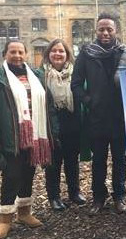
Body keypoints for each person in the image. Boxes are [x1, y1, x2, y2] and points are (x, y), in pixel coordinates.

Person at [0, 40, 58, 239]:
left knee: (28, 174)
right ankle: (4, 219)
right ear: (5, 54)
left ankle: (24, 213)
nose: (17, 55)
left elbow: (49, 107)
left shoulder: (37, 76)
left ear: (26, 54)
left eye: (21, 52)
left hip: (34, 136)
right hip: (11, 138)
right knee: (11, 175)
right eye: (12, 52)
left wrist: (53, 133)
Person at [71, 13, 126, 215]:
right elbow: (76, 84)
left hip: (120, 117)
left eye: (109, 29)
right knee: (99, 160)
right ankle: (98, 197)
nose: (105, 33)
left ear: (116, 31)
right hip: (97, 117)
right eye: (101, 29)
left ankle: (120, 196)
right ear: (96, 31)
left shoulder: (124, 52)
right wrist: (89, 101)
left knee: (120, 159)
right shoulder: (86, 54)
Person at [42, 39, 87, 211]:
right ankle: (54, 197)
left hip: (73, 123)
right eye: (54, 51)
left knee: (72, 161)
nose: (57, 54)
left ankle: (74, 193)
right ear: (48, 54)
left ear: (67, 55)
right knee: (53, 163)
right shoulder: (42, 75)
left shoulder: (76, 74)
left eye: (61, 51)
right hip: (51, 125)